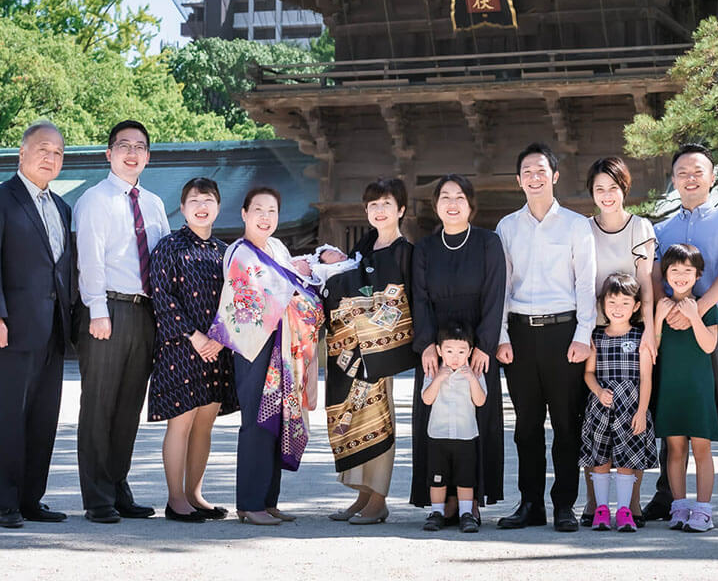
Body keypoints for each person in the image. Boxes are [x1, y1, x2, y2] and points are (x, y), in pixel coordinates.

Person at [641, 143, 718, 532]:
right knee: (671, 406)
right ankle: (666, 497)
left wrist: (695, 309)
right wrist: (670, 311)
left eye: (697, 171)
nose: (690, 178)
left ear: (712, 177)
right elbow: (655, 278)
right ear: (673, 180)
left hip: (715, 321)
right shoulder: (659, 230)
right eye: (682, 173)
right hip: (670, 324)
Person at [0, 121, 73, 529]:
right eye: (43, 149)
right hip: (9, 329)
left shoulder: (62, 208)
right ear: (22, 153)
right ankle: (6, 503)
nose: (51, 158)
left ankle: (32, 499)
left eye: (58, 153)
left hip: (53, 330)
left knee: (43, 419)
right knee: (7, 417)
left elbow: (63, 269)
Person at [494, 143, 596, 533]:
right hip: (520, 334)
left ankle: (565, 505)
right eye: (527, 172)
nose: (534, 178)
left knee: (567, 425)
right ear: (518, 180)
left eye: (541, 171)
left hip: (564, 332)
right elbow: (501, 287)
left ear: (554, 176)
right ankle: (530, 502)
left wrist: (583, 334)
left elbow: (585, 284)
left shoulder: (576, 225)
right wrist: (501, 335)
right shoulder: (507, 227)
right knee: (527, 426)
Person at [209, 187, 324, 526]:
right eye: (257, 209)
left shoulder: (277, 248)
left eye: (272, 210)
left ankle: (268, 500)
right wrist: (297, 282)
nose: (265, 216)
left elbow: (295, 283)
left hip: (283, 346)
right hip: (255, 345)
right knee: (257, 422)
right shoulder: (238, 252)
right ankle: (249, 502)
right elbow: (258, 295)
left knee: (279, 420)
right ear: (244, 214)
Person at [73, 119, 170, 524]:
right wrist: (97, 309)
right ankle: (96, 496)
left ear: (147, 157)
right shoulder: (95, 200)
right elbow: (89, 260)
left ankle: (117, 486)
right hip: (108, 311)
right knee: (100, 404)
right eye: (124, 145)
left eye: (140, 147)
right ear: (108, 153)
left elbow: (164, 258)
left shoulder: (154, 203)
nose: (132, 153)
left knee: (129, 405)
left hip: (145, 311)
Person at [411, 174, 506, 522]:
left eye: (459, 197)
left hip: (475, 345)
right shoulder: (424, 248)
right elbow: (419, 298)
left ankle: (472, 501)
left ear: (470, 204)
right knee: (434, 419)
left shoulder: (487, 242)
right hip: (438, 344)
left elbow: (497, 294)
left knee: (476, 418)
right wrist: (426, 346)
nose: (452, 203)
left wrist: (485, 345)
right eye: (445, 197)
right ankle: (441, 501)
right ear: (436, 206)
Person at [321, 179, 415, 524]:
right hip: (348, 350)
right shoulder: (363, 247)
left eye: (387, 204)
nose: (379, 211)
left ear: (401, 210)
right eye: (373, 205)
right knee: (353, 420)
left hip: (379, 352)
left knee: (379, 420)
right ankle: (362, 495)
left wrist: (363, 318)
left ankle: (379, 499)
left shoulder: (406, 253)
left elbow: (403, 304)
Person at [148, 177, 236, 523]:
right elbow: (162, 296)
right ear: (182, 208)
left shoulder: (225, 252)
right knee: (181, 423)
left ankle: (196, 494)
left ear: (218, 207)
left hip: (217, 349)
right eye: (194, 201)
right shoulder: (169, 246)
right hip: (181, 348)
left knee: (205, 425)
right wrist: (195, 336)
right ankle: (175, 499)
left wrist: (220, 336)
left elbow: (236, 302)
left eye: (208, 200)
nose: (202, 206)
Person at [580, 156, 657, 527]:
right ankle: (595, 504)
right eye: (599, 189)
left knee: (632, 424)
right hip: (593, 332)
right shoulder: (583, 229)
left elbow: (646, 282)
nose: (606, 195)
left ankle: (633, 504)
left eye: (612, 187)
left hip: (633, 331)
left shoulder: (639, 226)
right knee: (593, 423)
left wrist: (652, 330)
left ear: (623, 188)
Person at [580, 273, 657, 533]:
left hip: (632, 409)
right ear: (602, 304)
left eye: (625, 303)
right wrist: (598, 391)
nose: (618, 308)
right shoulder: (596, 336)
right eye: (612, 302)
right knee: (600, 457)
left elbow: (646, 377)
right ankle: (601, 509)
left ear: (636, 306)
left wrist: (643, 411)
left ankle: (625, 510)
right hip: (601, 408)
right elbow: (588, 373)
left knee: (628, 459)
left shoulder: (641, 338)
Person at [653, 243, 718, 532]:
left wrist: (694, 315)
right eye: (674, 270)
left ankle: (703, 510)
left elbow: (709, 345)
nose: (680, 275)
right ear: (665, 274)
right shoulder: (661, 305)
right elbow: (652, 349)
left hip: (698, 389)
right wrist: (658, 316)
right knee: (674, 449)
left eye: (687, 271)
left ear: (698, 274)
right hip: (670, 387)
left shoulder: (706, 305)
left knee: (702, 449)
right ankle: (678, 506)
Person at [421, 322, 487, 534]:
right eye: (449, 351)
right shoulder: (433, 371)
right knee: (437, 478)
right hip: (438, 434)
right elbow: (427, 399)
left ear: (470, 351)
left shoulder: (474, 373)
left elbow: (480, 401)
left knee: (465, 478)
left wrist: (471, 379)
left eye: (461, 351)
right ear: (439, 351)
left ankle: (466, 513)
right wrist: (439, 378)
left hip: (465, 434)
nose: (455, 356)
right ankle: (437, 512)